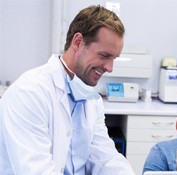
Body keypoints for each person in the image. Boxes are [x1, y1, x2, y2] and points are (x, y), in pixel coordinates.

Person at [0, 5, 135, 175]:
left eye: (114, 58)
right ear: (78, 42)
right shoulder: (29, 94)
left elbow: (106, 158)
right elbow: (37, 171)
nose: (110, 68)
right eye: (104, 56)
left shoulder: (92, 100)